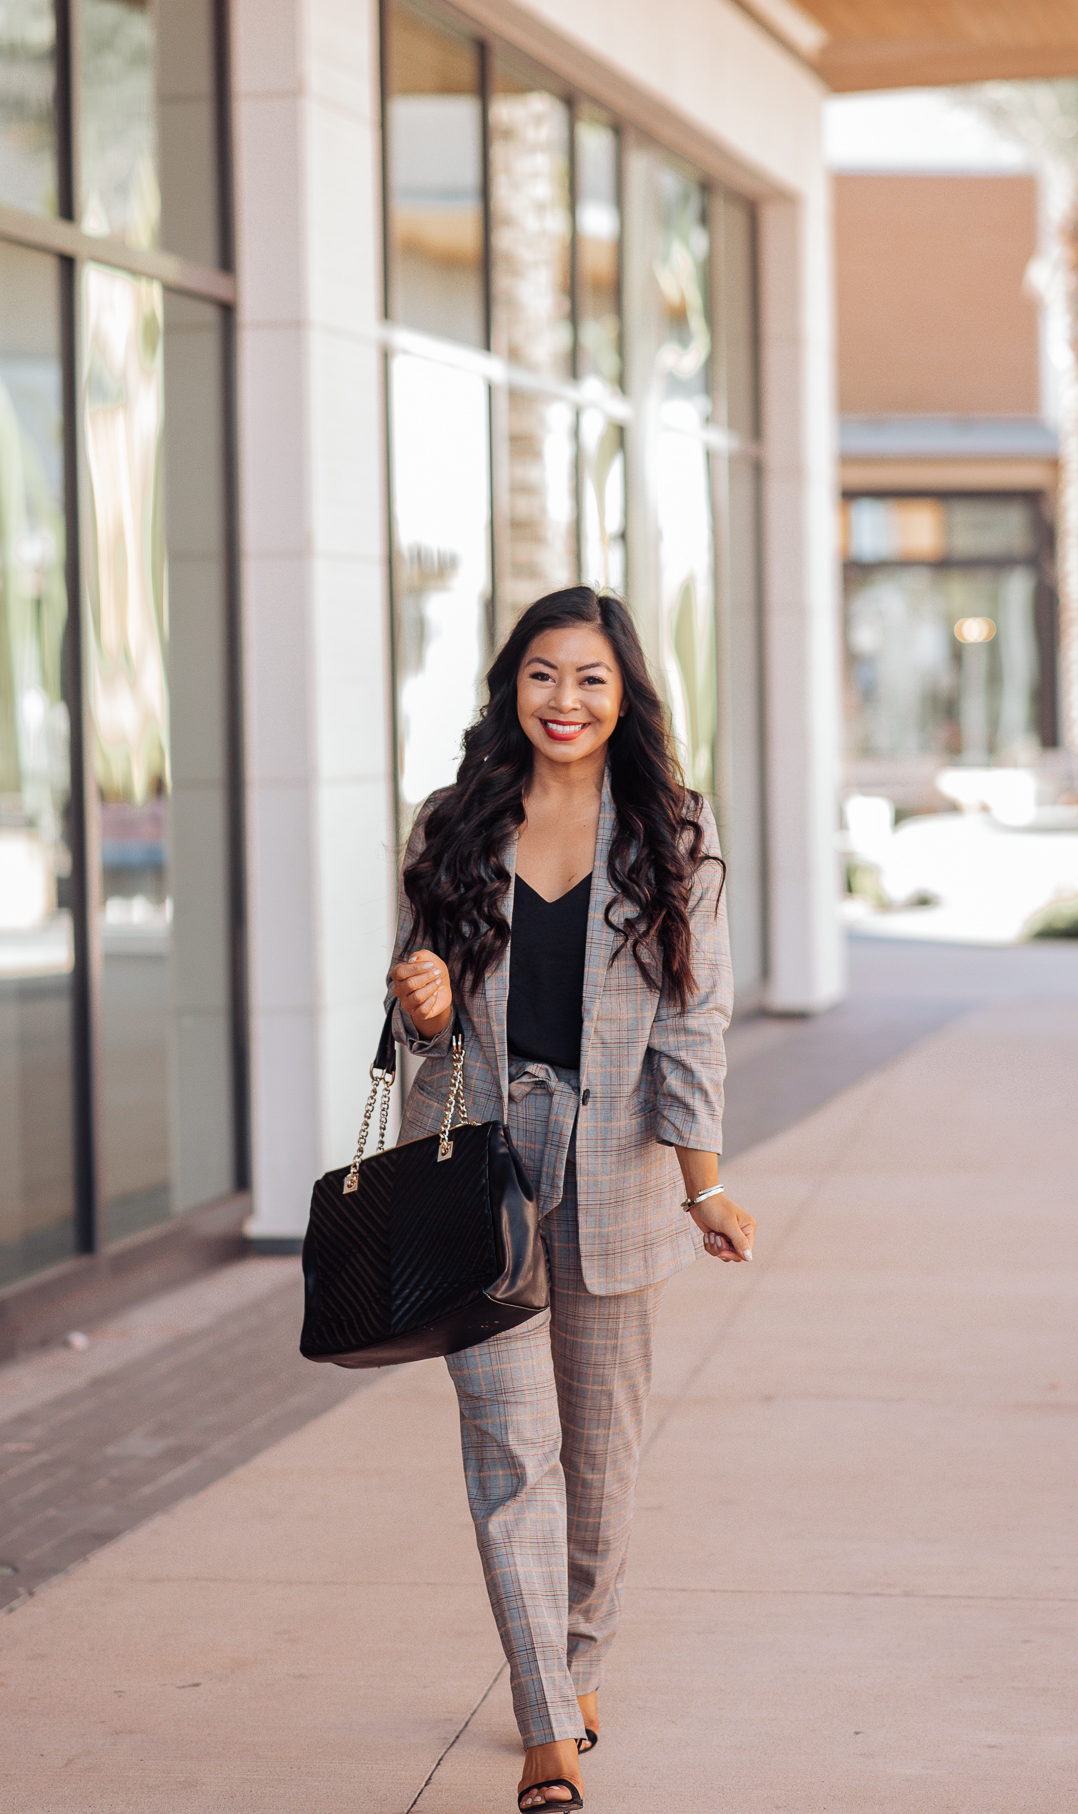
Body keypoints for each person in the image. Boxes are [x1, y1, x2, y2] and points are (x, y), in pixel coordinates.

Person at [388, 586, 755, 1812]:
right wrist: (425, 1004)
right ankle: (547, 1724)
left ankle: (577, 1658)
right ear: (512, 687)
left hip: (616, 1166)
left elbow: (693, 1026)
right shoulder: (453, 826)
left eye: (590, 680)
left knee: (596, 1457)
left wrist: (704, 1185)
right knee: (508, 1450)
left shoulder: (672, 834)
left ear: (623, 695)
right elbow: (417, 1035)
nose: (565, 701)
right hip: (479, 1162)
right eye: (543, 676)